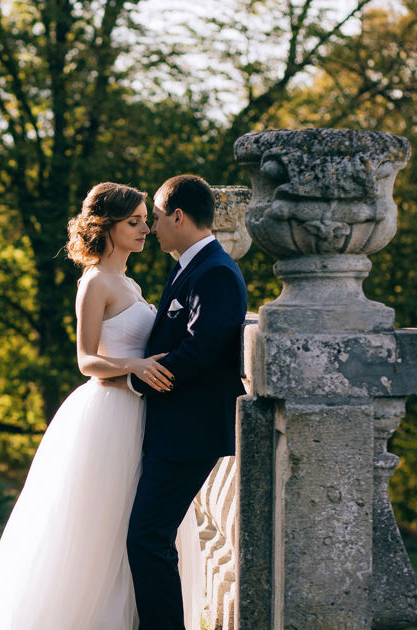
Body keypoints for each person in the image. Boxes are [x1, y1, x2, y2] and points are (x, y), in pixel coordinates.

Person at [0, 182, 171, 629]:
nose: (144, 229)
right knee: (98, 527)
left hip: (138, 414)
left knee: (129, 528)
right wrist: (133, 366)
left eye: (143, 220)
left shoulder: (129, 282)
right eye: (133, 222)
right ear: (108, 227)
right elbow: (85, 360)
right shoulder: (95, 282)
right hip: (108, 415)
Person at [125, 175, 248, 630]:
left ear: (178, 215)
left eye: (155, 218)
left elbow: (201, 349)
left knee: (147, 537)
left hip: (189, 433)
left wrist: (138, 381)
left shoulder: (214, 270)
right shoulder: (188, 266)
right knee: (151, 535)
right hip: (174, 429)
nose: (152, 227)